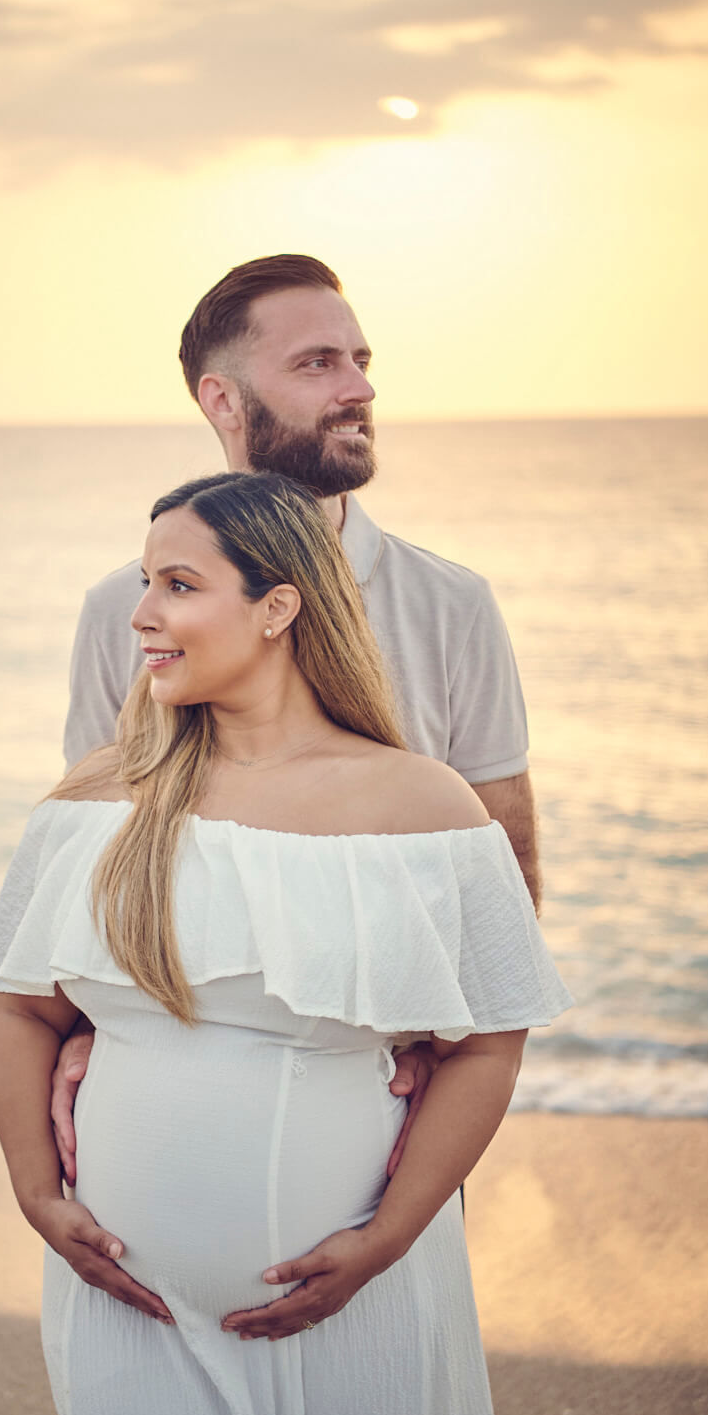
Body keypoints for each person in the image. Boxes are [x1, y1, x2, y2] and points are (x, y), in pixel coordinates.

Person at [0, 471, 570, 1415]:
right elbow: (21, 1011)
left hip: (361, 1301)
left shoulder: (419, 806)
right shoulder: (94, 799)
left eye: (175, 584)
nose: (140, 615)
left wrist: (384, 1241)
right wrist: (37, 1196)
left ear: (276, 606)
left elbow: (489, 1038)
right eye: (144, 582)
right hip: (129, 1311)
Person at [52, 253, 538, 1186]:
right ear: (222, 400)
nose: (359, 388)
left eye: (359, 359)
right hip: (154, 1107)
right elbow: (95, 858)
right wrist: (85, 1029)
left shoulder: (451, 604)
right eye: (318, 364)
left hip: (377, 1115)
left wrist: (452, 1055)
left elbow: (503, 860)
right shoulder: (123, 611)